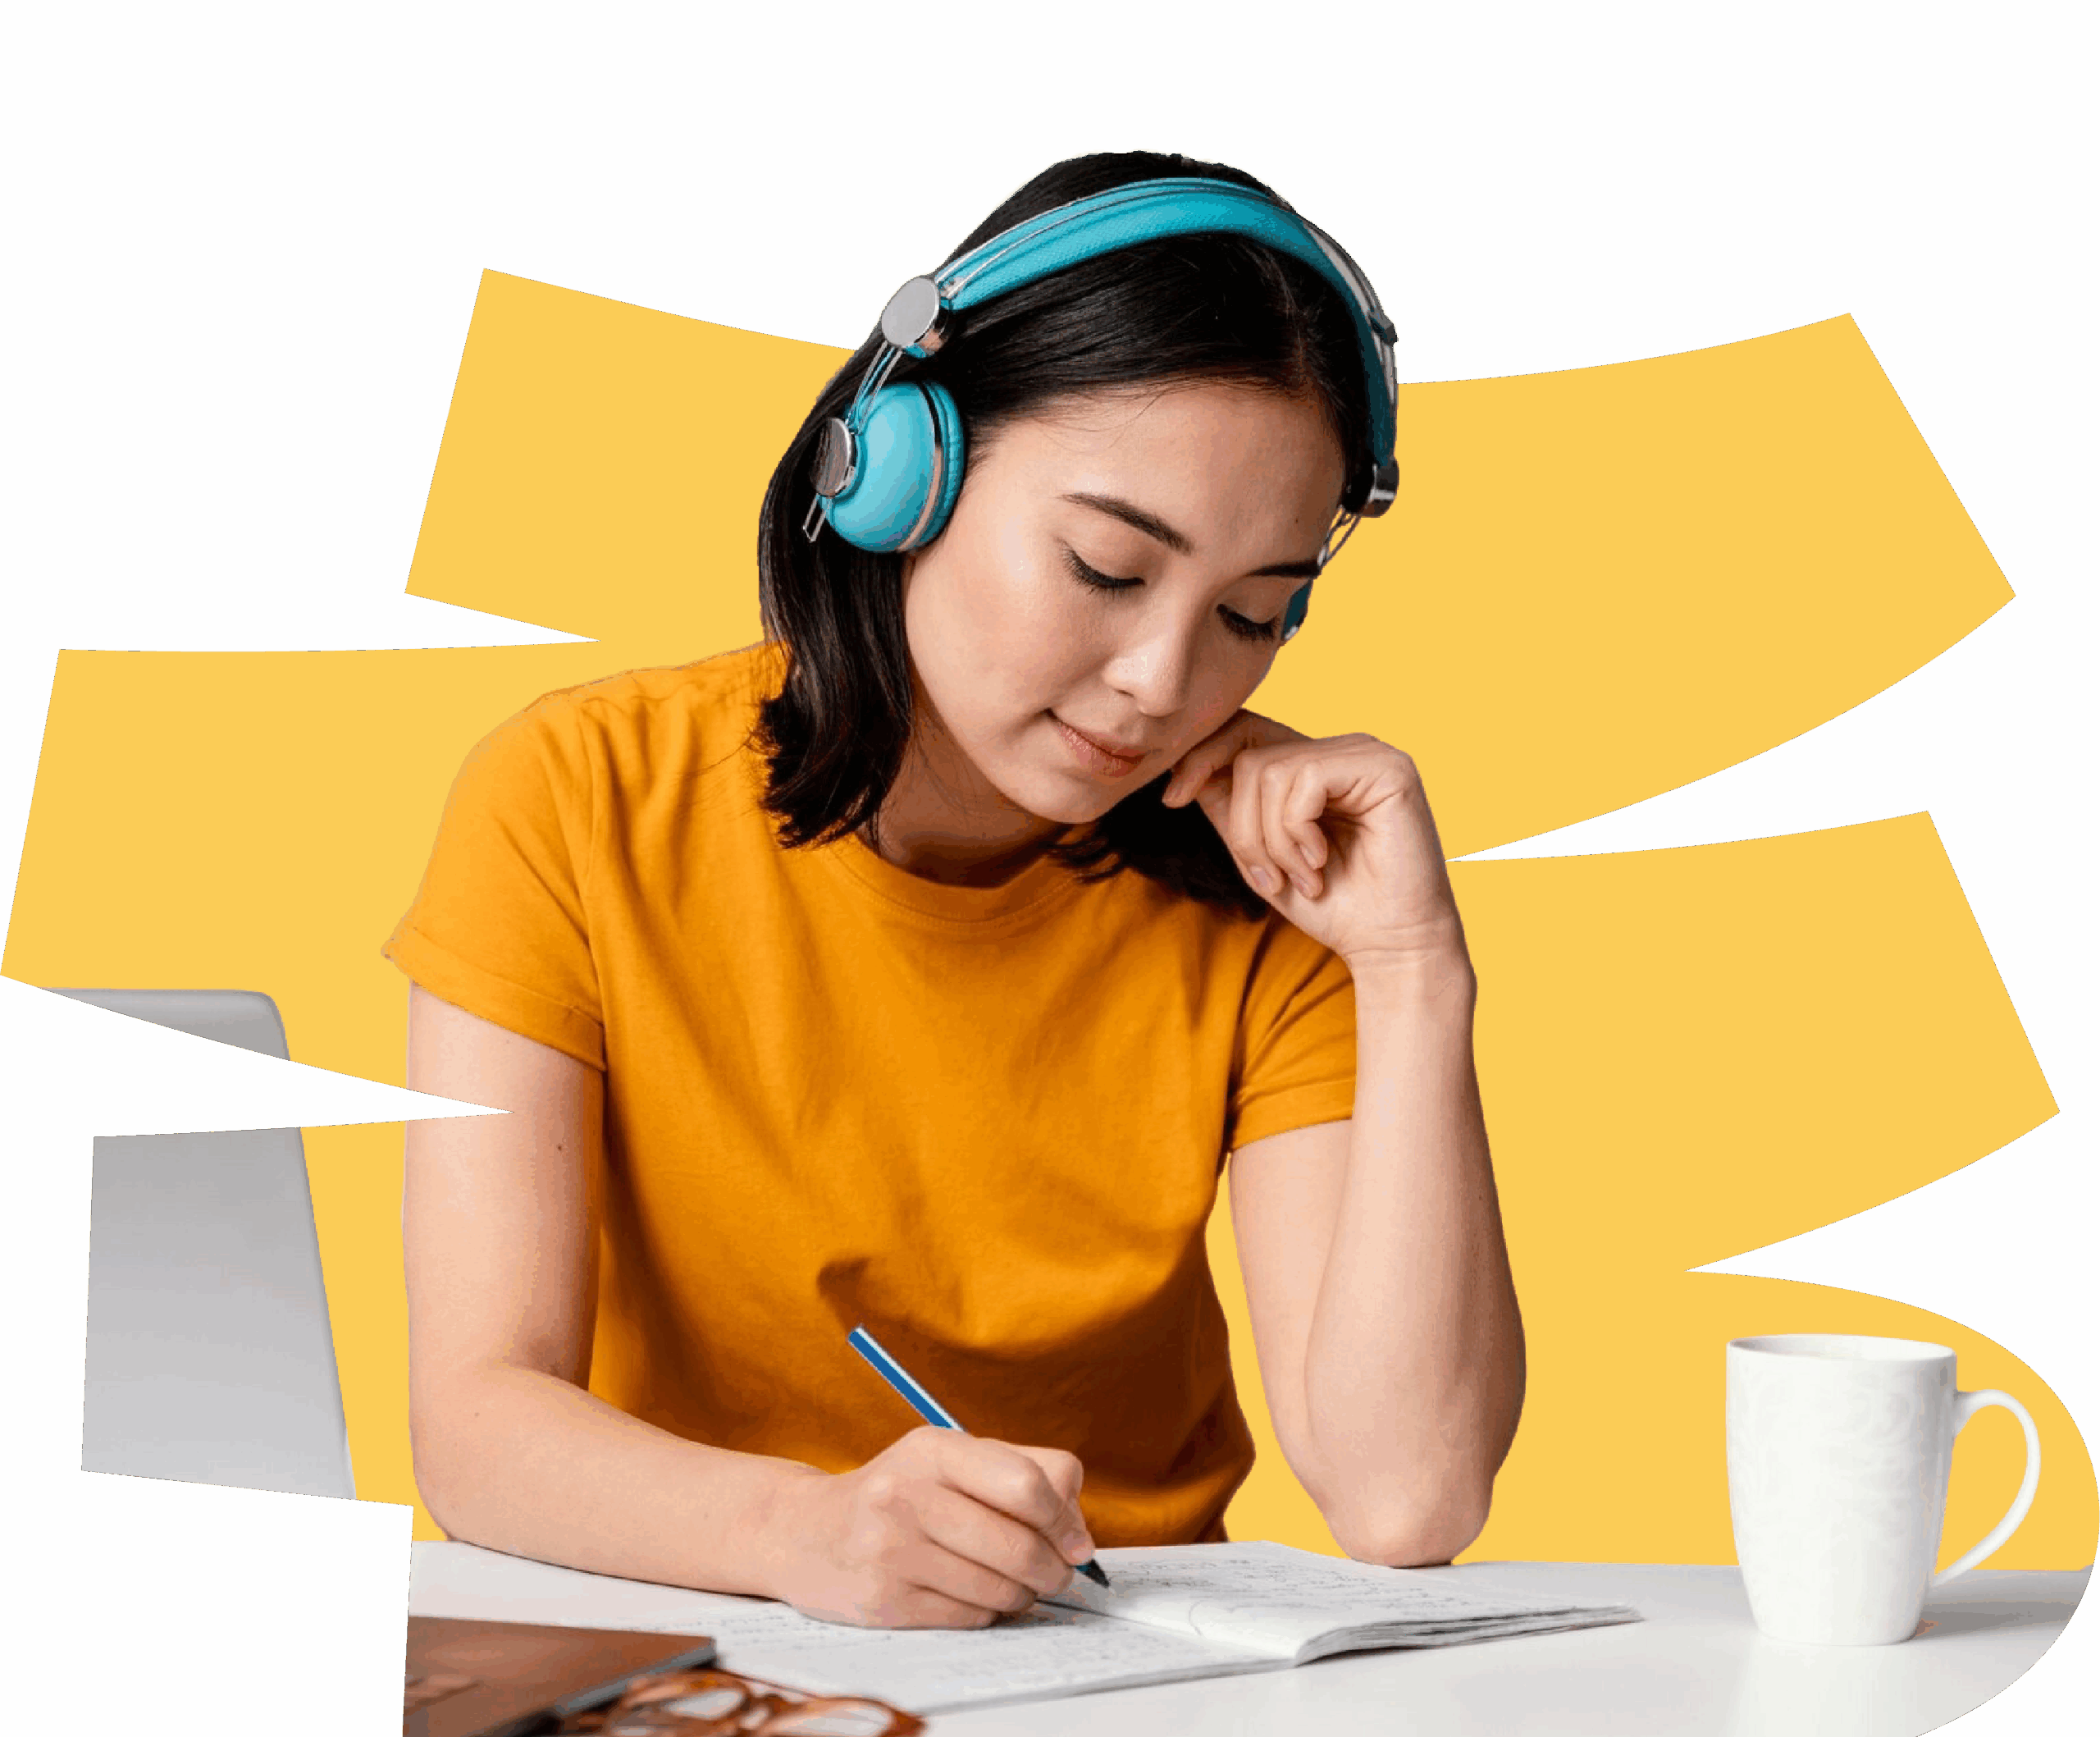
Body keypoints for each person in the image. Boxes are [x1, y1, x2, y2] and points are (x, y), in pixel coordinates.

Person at [386, 148, 1524, 1632]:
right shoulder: (578, 795)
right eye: (1108, 567)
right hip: (711, 1640)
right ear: (900, 470)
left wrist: (1416, 968)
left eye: (1254, 614)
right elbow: (475, 1424)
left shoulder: (1286, 885)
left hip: (1136, 1687)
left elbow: (1406, 1494)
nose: (1164, 683)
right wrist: (810, 1532)